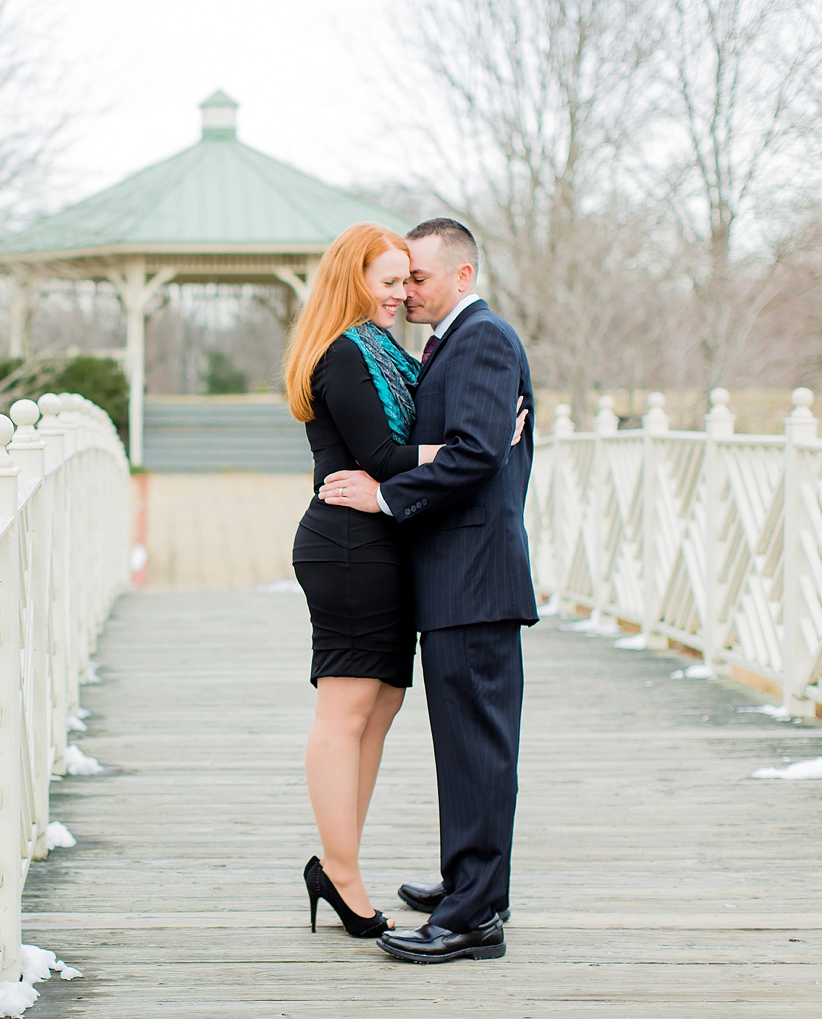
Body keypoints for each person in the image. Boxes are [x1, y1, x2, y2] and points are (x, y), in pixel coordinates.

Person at [284, 222, 526, 940]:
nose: (401, 292)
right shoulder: (347, 353)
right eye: (390, 279)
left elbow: (436, 441)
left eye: (409, 278)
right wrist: (464, 447)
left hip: (391, 546)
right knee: (347, 709)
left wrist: (466, 449)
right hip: (351, 545)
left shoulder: (395, 349)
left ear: (461, 273)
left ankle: (446, 882)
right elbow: (388, 450)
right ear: (352, 281)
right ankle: (342, 870)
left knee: (380, 706)